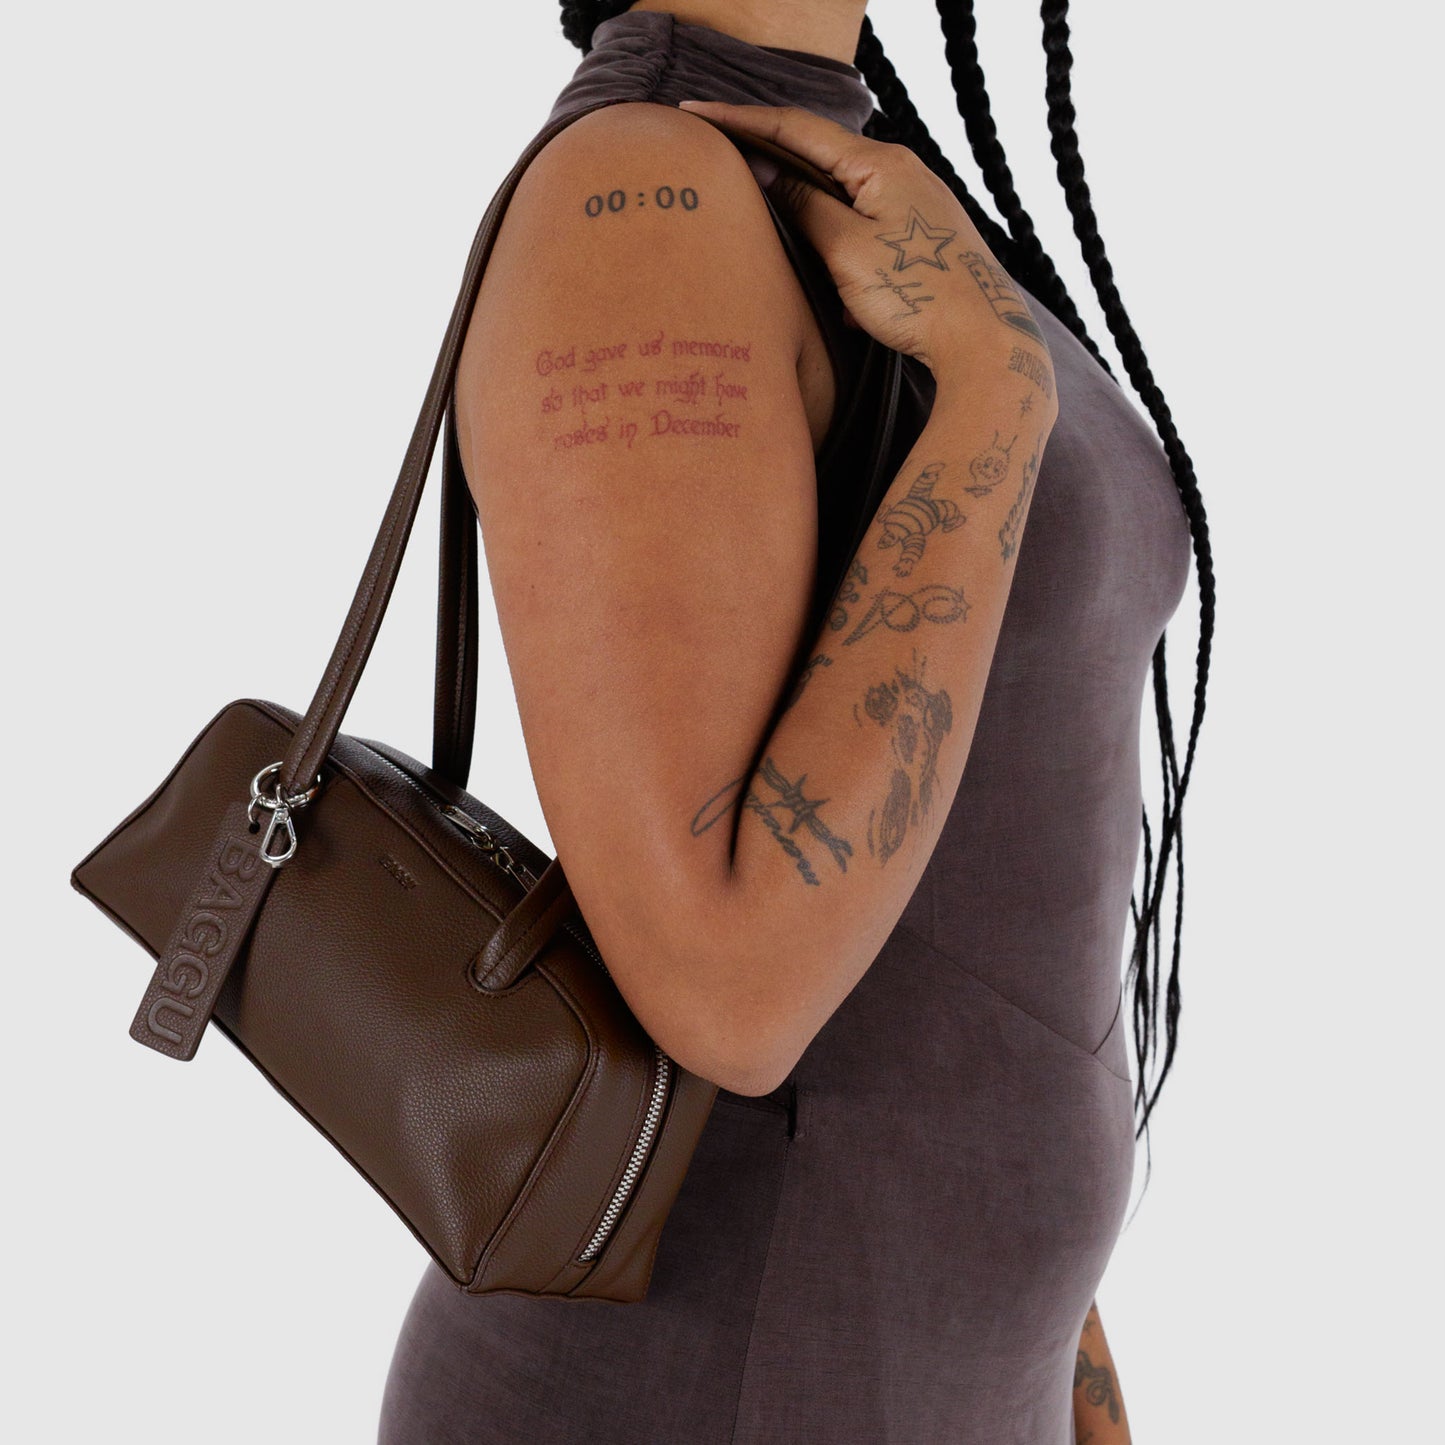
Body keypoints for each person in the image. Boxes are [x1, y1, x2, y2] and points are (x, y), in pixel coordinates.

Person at [379, 2, 1213, 1440]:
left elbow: (986, 887)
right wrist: (993, 394)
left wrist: (1063, 1361)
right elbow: (727, 992)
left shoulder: (859, 171)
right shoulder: (640, 194)